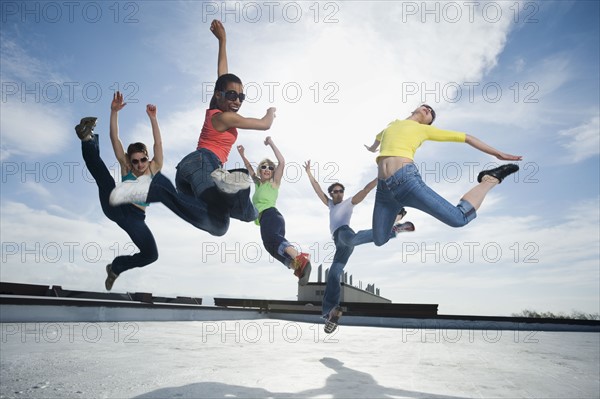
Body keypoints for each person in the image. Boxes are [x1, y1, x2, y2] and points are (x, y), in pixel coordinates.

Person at [109, 20, 275, 236]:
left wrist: (223, 41)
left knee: (219, 226)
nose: (237, 100)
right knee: (248, 213)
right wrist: (271, 111)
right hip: (204, 164)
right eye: (232, 95)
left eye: (241, 96)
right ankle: (236, 185)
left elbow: (222, 77)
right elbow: (265, 124)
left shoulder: (216, 109)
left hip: (188, 177)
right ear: (219, 96)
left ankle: (168, 189)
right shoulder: (226, 117)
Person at [365, 104, 522, 246]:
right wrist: (373, 148)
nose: (429, 110)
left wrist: (498, 153)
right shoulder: (391, 126)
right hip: (384, 191)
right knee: (379, 240)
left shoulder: (424, 129)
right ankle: (398, 224)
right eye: (426, 107)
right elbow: (378, 138)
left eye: (431, 114)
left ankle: (490, 179)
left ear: (427, 123)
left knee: (459, 219)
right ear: (415, 109)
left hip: (406, 182)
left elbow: (466, 138)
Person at [304, 160, 414, 333]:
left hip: (344, 234)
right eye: (335, 191)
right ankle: (330, 312)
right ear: (331, 194)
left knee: (353, 239)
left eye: (341, 191)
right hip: (340, 245)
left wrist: (380, 178)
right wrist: (309, 173)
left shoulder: (349, 202)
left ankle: (391, 229)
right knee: (333, 274)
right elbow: (318, 190)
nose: (339, 193)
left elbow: (365, 190)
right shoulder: (330, 204)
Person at [75, 91, 162, 291]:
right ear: (129, 161)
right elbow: (115, 138)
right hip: (117, 206)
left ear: (147, 159)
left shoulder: (154, 167)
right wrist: (114, 112)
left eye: (142, 160)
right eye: (135, 161)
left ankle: (115, 267)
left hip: (137, 219)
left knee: (151, 255)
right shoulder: (126, 167)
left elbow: (158, 144)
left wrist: (153, 119)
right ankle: (87, 137)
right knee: (103, 178)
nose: (139, 164)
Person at [237, 137, 311, 285]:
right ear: (260, 171)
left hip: (271, 215)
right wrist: (242, 155)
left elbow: (282, 162)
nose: (267, 169)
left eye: (271, 168)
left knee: (272, 238)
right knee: (270, 247)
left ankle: (300, 258)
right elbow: (250, 170)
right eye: (264, 167)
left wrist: (271, 143)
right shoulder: (259, 184)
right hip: (267, 220)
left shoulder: (273, 183)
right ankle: (295, 267)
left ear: (273, 173)